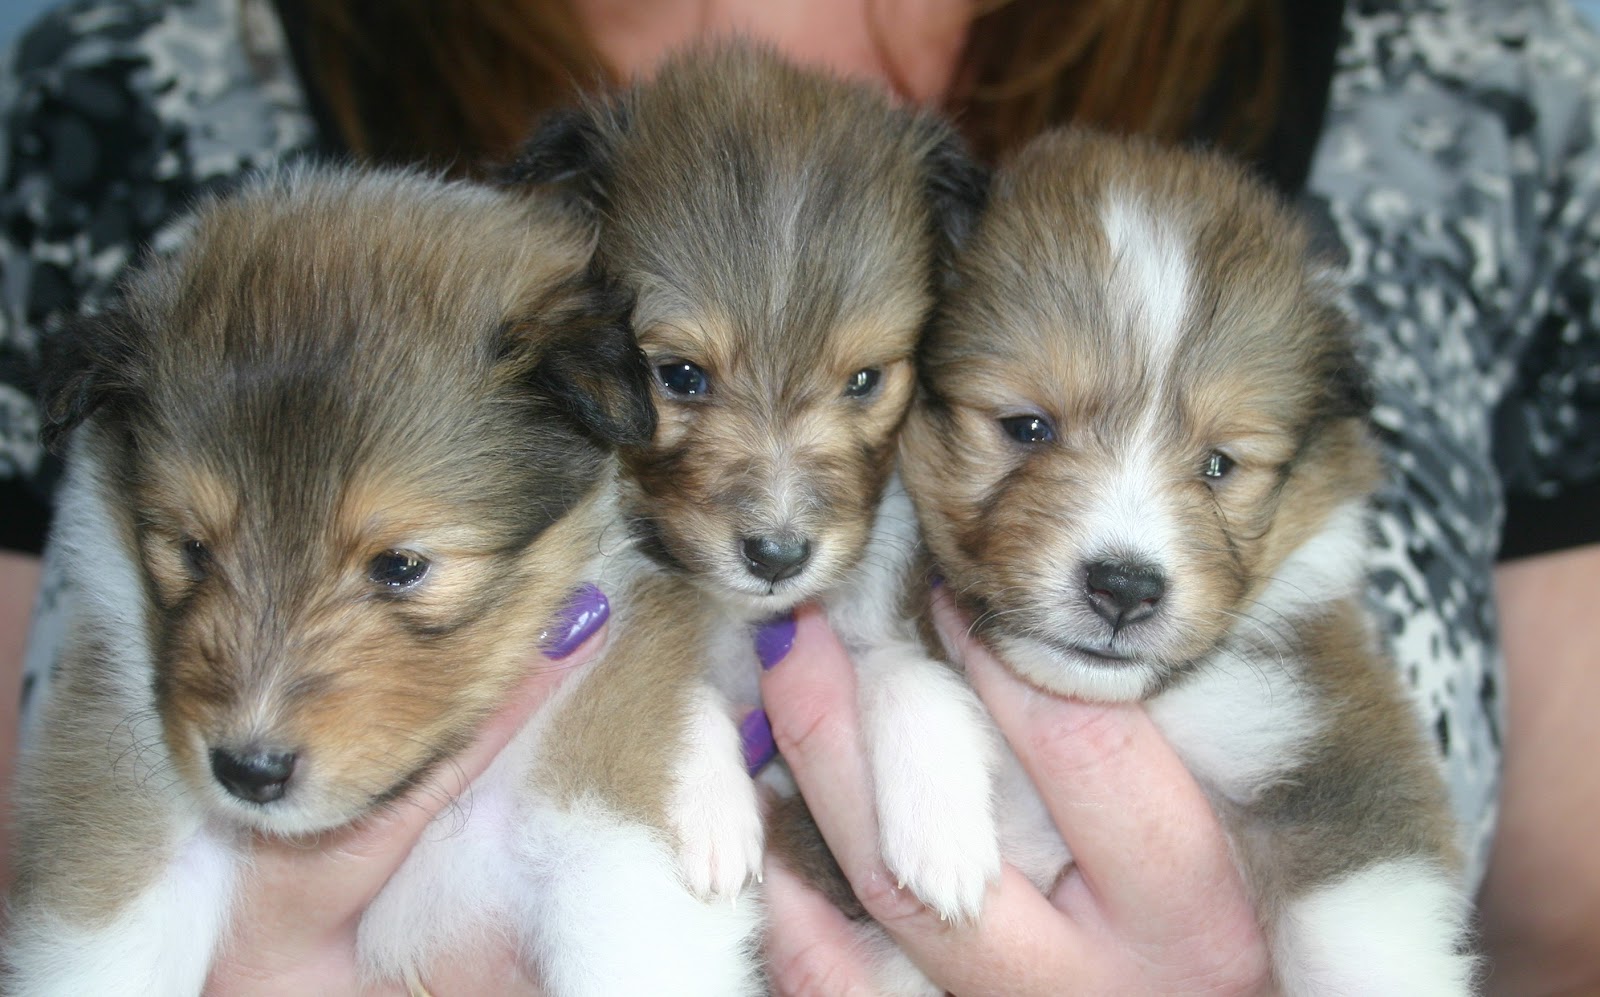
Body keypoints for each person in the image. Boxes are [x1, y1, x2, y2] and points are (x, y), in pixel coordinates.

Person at [0, 0, 1596, 991]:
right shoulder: (130, 97)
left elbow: (1567, 932)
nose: (774, 503)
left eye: (866, 384)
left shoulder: (1491, 80)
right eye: (678, 377)